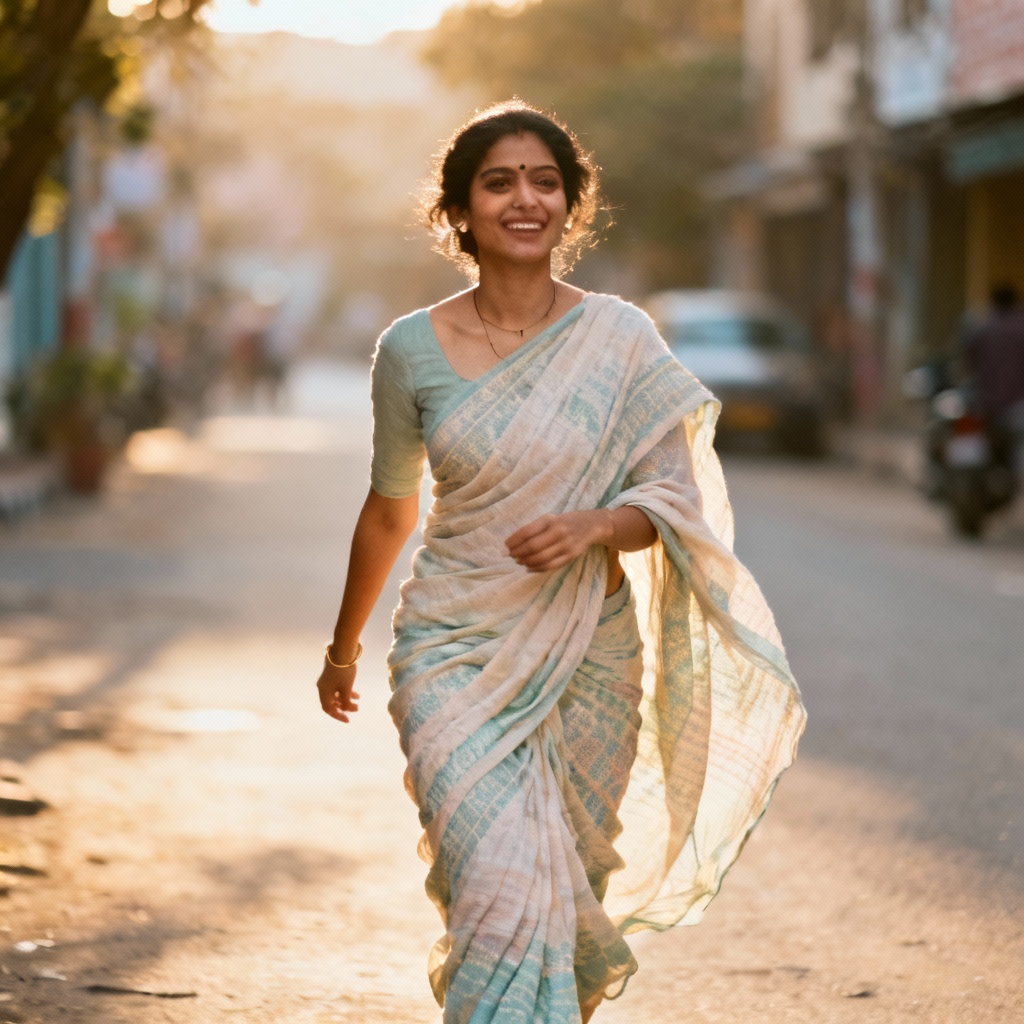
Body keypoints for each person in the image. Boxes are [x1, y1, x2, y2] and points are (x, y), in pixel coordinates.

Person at [316, 101, 806, 1023]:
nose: (524, 198)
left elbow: (670, 505)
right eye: (498, 182)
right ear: (459, 211)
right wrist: (342, 650)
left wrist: (591, 527)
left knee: (569, 887)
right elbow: (390, 511)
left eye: (545, 181)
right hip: (451, 652)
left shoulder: (620, 338)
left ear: (572, 207)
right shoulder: (409, 350)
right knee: (499, 887)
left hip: (589, 654)